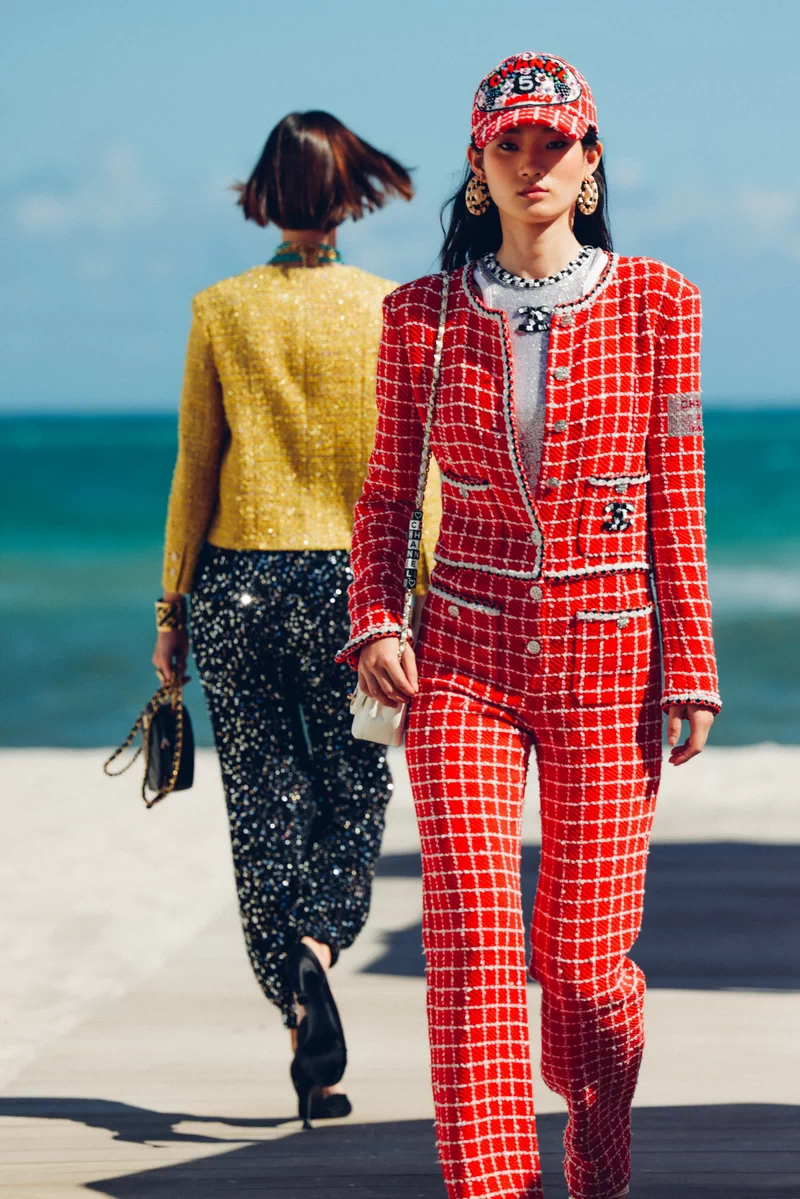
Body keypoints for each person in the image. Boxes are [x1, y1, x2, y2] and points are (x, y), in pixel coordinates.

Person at [340, 52, 720, 1199]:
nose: (528, 164)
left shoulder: (662, 301)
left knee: (582, 962)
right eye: (506, 146)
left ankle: (594, 1152)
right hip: (460, 655)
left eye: (551, 145)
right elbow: (385, 495)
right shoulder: (416, 317)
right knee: (467, 940)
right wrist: (372, 619)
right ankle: (491, 1184)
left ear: (589, 162)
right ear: (476, 169)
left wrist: (689, 664)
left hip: (612, 657)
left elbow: (677, 490)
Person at [153, 110, 439, 1126]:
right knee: (353, 785)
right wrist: (422, 594)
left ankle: (296, 1027)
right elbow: (420, 468)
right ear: (353, 190)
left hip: (235, 586)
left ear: (264, 195)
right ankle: (320, 944)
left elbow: (196, 467)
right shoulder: (392, 307)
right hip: (349, 594)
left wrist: (170, 611)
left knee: (262, 808)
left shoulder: (219, 307)